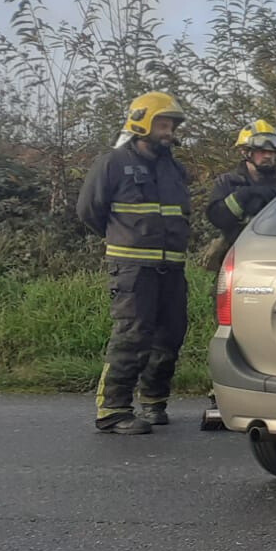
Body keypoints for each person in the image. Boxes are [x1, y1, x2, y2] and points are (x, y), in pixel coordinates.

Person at [76, 92, 193, 435]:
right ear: (141, 122)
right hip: (132, 269)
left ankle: (154, 403)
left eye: (171, 125)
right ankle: (112, 410)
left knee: (171, 335)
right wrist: (123, 240)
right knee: (132, 335)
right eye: (162, 124)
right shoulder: (112, 163)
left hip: (172, 267)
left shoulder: (175, 168)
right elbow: (88, 211)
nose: (168, 131)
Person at [199, 120, 276, 429]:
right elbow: (217, 217)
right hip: (237, 262)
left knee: (273, 326)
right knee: (229, 327)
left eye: (272, 151)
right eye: (261, 151)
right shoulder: (228, 182)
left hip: (273, 264)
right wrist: (244, 198)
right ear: (246, 152)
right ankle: (221, 392)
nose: (268, 156)